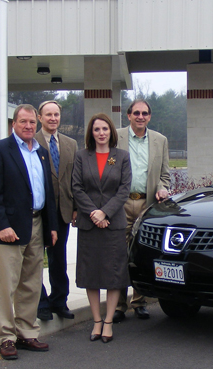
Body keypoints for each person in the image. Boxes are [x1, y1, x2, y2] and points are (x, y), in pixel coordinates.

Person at [0, 104, 58, 360]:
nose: (28, 126)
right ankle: (5, 337)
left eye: (31, 122)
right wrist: (1, 225)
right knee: (7, 284)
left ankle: (27, 331)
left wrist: (51, 227)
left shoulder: (42, 153)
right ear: (13, 124)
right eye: (22, 121)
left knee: (31, 282)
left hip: (36, 224)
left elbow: (47, 193)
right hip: (10, 229)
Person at [72, 113, 131, 343]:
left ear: (111, 132)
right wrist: (94, 214)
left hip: (113, 224)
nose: (101, 133)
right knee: (91, 273)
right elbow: (77, 188)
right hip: (89, 225)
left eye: (105, 129)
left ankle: (108, 322)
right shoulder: (81, 156)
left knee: (114, 274)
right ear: (91, 133)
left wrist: (105, 212)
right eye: (97, 129)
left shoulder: (122, 157)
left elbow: (124, 189)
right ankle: (96, 320)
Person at [113, 99, 170, 323]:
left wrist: (163, 189)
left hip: (147, 204)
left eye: (144, 113)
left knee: (141, 253)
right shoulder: (116, 137)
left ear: (149, 117)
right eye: (136, 113)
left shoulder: (160, 140)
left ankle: (139, 302)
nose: (140, 116)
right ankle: (118, 305)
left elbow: (165, 174)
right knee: (118, 254)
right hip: (121, 203)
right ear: (128, 115)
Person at [35, 100, 78, 321]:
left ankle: (59, 300)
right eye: (48, 115)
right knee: (35, 259)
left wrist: (76, 208)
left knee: (58, 258)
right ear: (40, 117)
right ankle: (41, 303)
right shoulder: (31, 141)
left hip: (63, 211)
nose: (53, 118)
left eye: (56, 115)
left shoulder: (71, 144)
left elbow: (76, 180)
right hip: (39, 210)